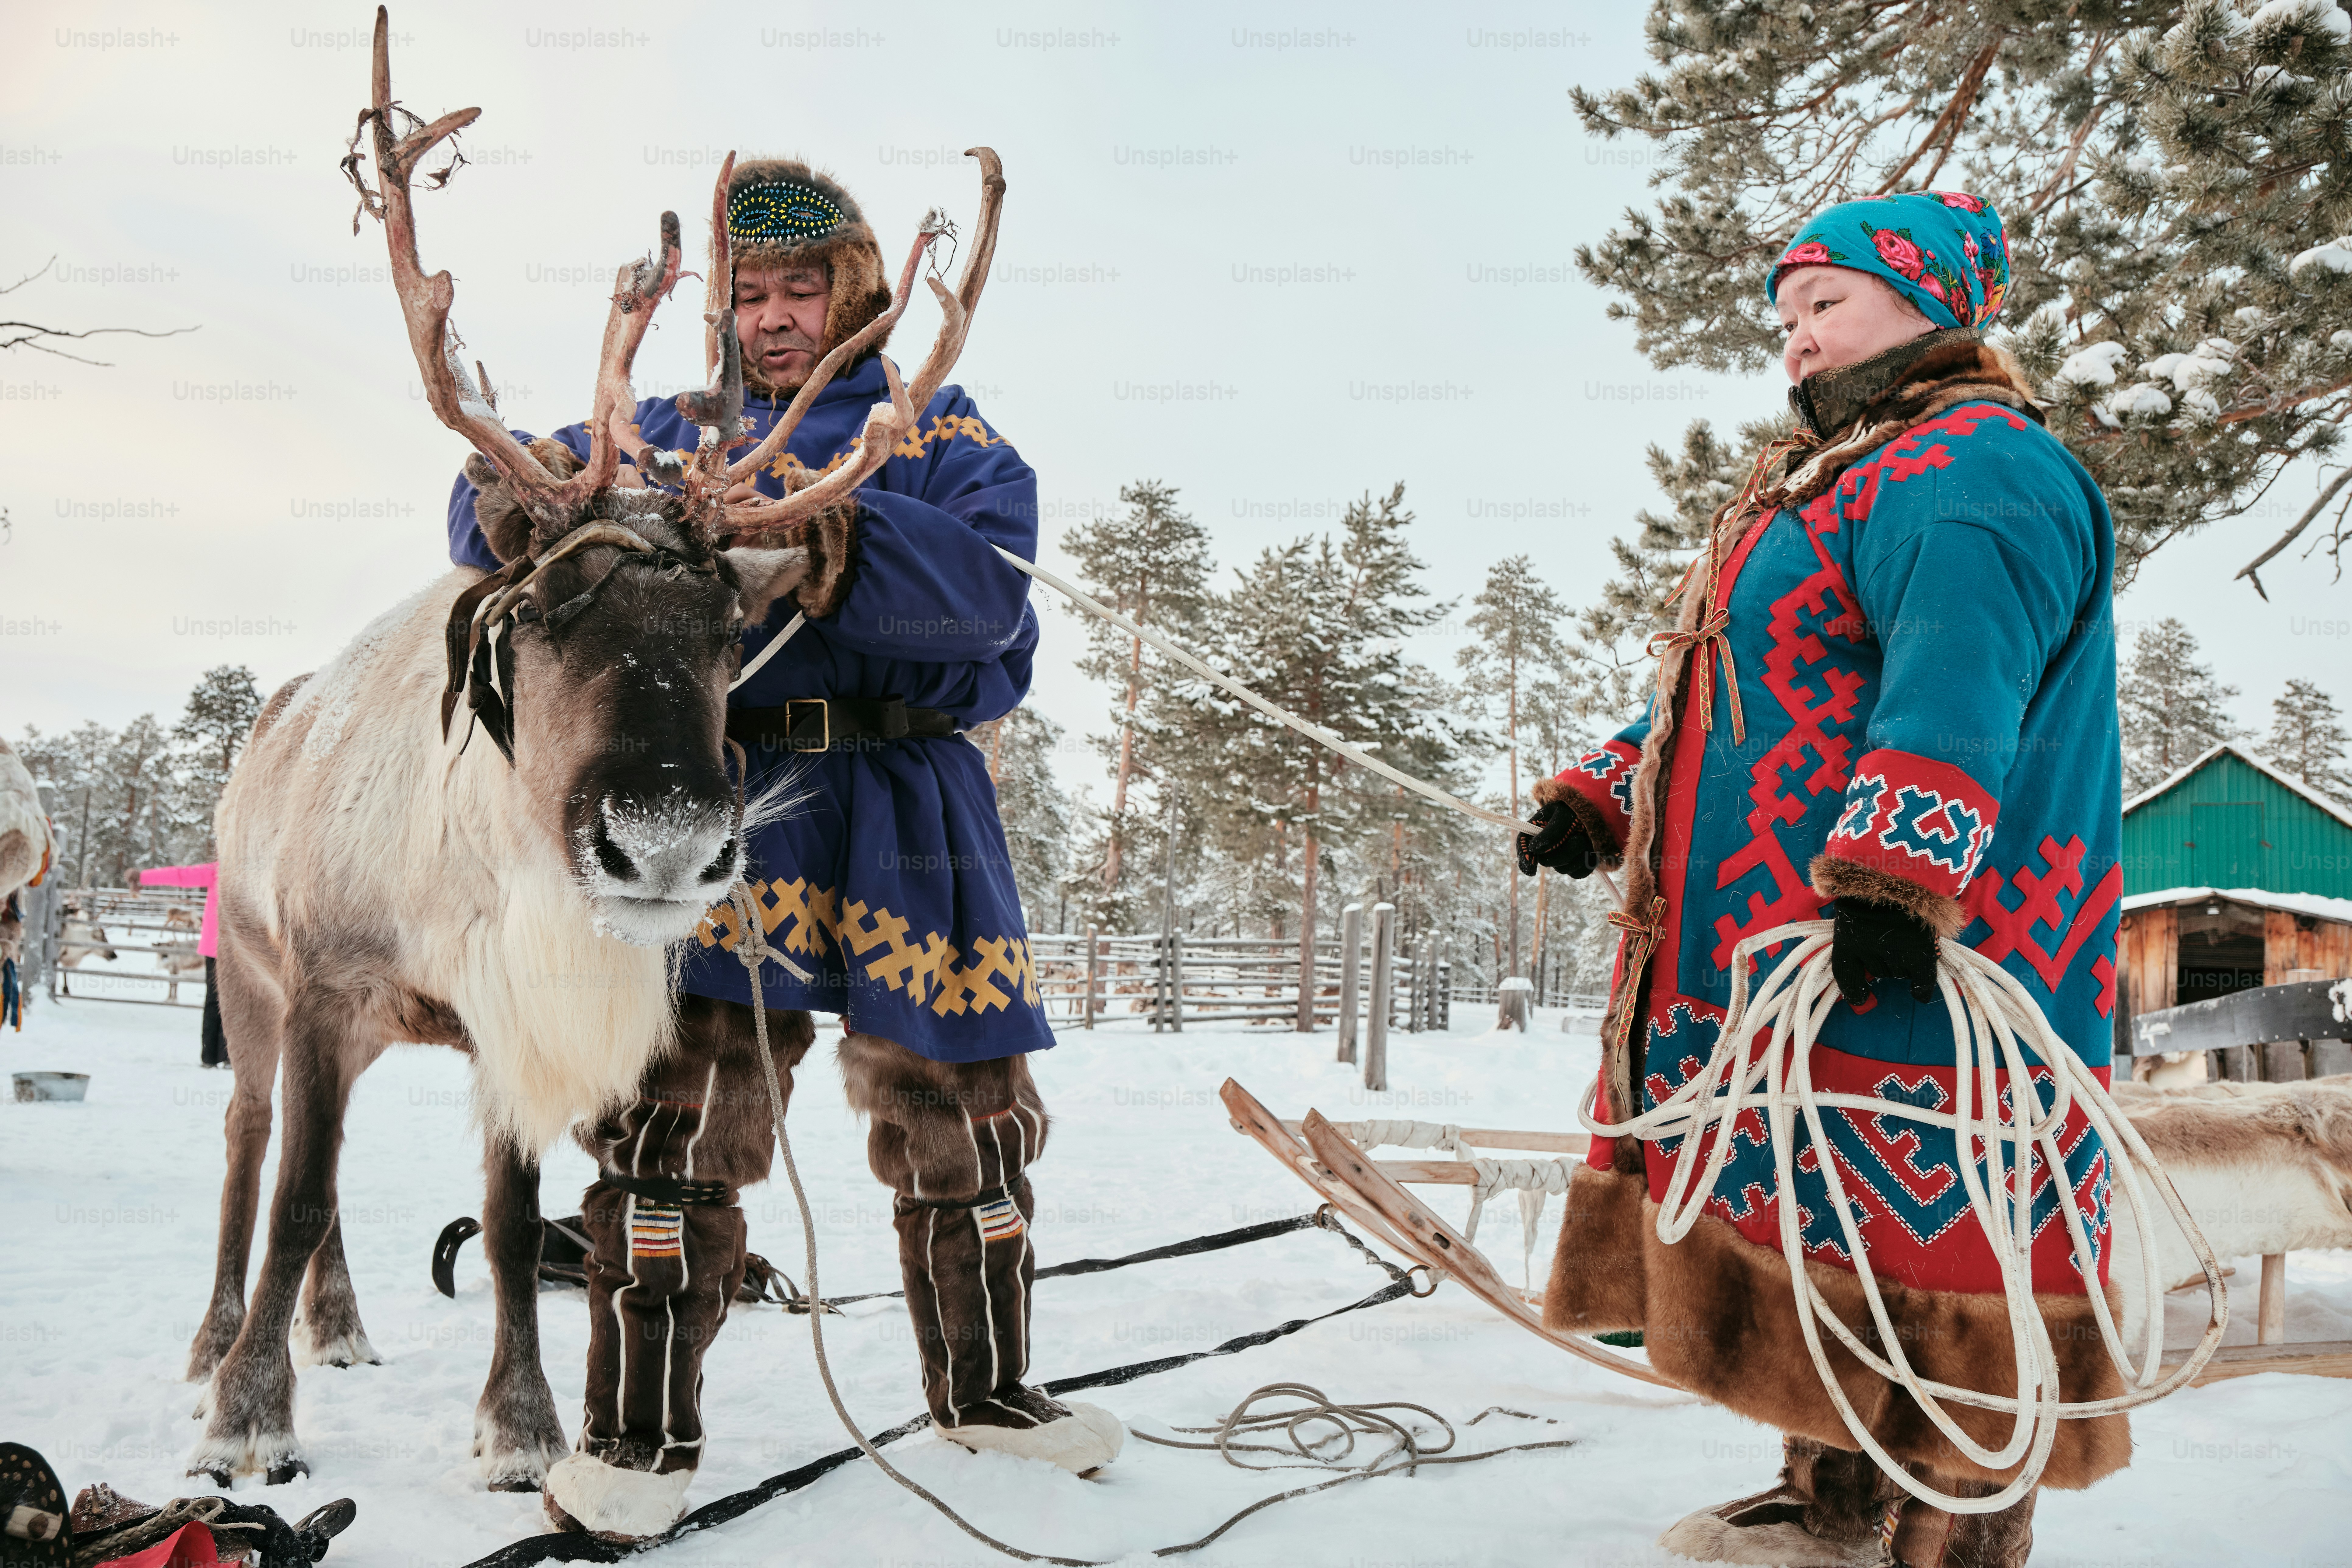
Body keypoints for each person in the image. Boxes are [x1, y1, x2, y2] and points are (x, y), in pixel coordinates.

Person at [446, 157, 1120, 1540]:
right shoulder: (668, 434)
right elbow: (494, 496)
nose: (771, 316)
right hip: (736, 792)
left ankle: (988, 1393)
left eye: (800, 289)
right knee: (676, 1113)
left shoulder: (938, 436)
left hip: (910, 801)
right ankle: (637, 1439)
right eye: (748, 293)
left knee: (970, 1113)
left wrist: (834, 535)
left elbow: (987, 612)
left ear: (854, 294)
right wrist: (509, 505)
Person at [1519, 191, 2122, 1568]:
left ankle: (1951, 1547)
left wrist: (1894, 882)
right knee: (1830, 1230)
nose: (1793, 339)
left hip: (1918, 951)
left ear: (1928, 304)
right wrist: (1600, 795)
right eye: (1785, 316)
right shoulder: (1834, 476)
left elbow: (1955, 683)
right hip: (1797, 955)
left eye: (1824, 305)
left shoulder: (1973, 471)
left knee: (1941, 1263)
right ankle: (1832, 1508)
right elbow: (1732, 682)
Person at [137, 862, 226, 1066]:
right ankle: (220, 1056)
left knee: (219, 1002)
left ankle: (216, 1057)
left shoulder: (231, 868)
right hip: (226, 949)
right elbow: (182, 875)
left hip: (234, 949)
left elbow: (182, 875)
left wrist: (142, 878)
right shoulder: (222, 869)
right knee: (226, 1002)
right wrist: (143, 878)